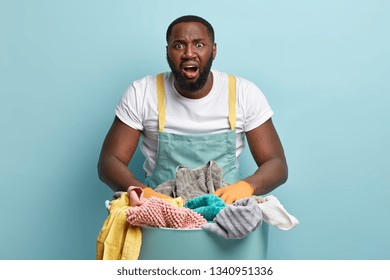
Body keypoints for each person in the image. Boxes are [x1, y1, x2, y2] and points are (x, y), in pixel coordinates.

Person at [98, 15, 288, 204]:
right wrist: (145, 194)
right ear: (167, 51)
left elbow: (276, 164)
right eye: (179, 45)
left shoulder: (244, 93)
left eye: (199, 44)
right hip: (160, 212)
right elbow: (110, 162)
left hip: (226, 210)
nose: (189, 53)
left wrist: (246, 187)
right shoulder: (142, 92)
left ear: (213, 50)